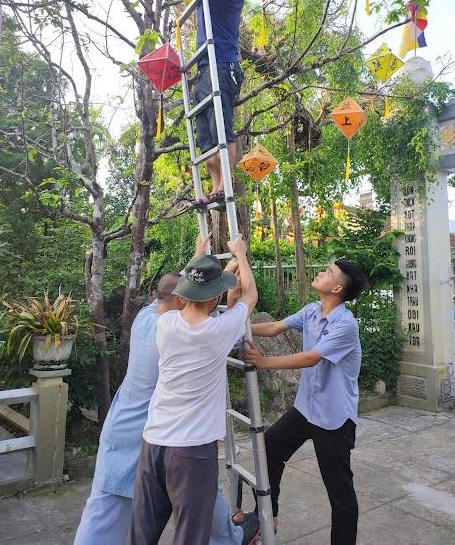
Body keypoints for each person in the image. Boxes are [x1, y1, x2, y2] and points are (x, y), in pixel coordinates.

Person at [75, 262, 256, 545]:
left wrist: (207, 273)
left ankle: (228, 537)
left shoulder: (156, 322)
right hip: (189, 446)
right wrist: (239, 260)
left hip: (147, 438)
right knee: (194, 522)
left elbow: (179, 297)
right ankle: (229, 538)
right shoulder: (213, 333)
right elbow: (246, 301)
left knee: (125, 521)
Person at [127, 234, 258, 545]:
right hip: (191, 451)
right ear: (215, 298)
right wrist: (240, 254)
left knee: (141, 532)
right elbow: (250, 296)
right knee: (191, 535)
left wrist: (199, 258)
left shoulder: (166, 323)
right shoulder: (217, 331)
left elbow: (185, 295)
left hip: (154, 443)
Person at [243, 260, 369, 545]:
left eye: (329, 272)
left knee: (340, 493)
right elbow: (275, 327)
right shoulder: (312, 311)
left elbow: (311, 358)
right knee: (268, 447)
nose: (322, 272)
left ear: (337, 289)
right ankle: (268, 517)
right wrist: (237, 327)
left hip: (334, 418)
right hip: (306, 409)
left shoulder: (345, 325)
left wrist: (264, 362)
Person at [168, 0, 252, 208]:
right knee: (207, 137)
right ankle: (216, 188)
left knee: (221, 130)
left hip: (221, 64)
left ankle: (224, 187)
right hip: (208, 65)